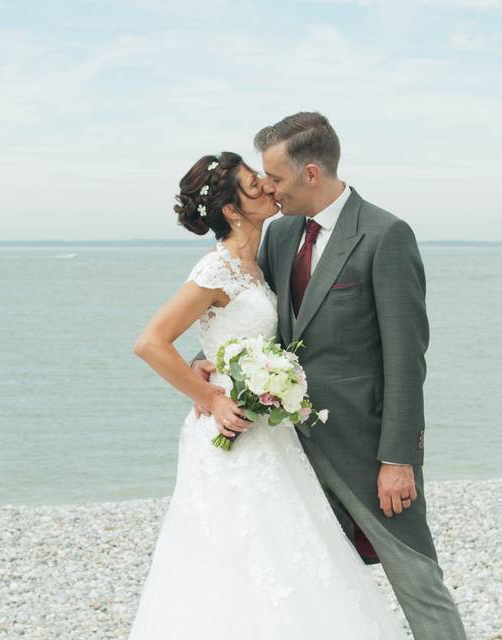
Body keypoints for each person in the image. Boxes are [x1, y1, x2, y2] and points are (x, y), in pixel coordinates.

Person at [191, 112, 467, 639]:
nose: (268, 188)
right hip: (285, 449)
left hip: (366, 453)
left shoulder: (385, 236)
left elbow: (407, 359)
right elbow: (255, 315)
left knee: (417, 581)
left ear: (311, 173)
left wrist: (398, 459)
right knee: (307, 588)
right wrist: (204, 361)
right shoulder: (280, 234)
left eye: (275, 177)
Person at [130, 150, 407, 639]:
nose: (265, 185)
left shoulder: (258, 262)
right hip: (233, 435)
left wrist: (229, 368)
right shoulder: (215, 271)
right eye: (251, 183)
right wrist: (211, 397)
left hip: (272, 437)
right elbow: (151, 343)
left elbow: (234, 335)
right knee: (234, 555)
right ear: (233, 210)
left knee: (288, 550)